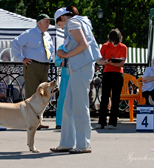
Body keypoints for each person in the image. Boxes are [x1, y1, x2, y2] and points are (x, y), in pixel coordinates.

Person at [50, 6, 102, 154]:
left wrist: (65, 55)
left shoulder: (72, 23)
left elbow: (83, 44)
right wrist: (66, 54)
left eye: (58, 24)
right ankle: (67, 143)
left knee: (80, 107)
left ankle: (83, 144)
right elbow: (84, 45)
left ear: (62, 18)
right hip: (79, 68)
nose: (60, 28)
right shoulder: (79, 22)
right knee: (68, 107)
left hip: (80, 68)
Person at [11, 14, 54, 129]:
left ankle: (39, 121)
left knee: (43, 94)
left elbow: (50, 49)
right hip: (32, 65)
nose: (48, 24)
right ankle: (30, 122)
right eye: (46, 22)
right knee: (32, 94)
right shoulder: (29, 33)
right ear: (39, 22)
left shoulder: (48, 35)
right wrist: (21, 59)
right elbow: (14, 43)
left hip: (45, 66)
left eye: (49, 22)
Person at [95, 28, 127, 129]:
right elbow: (98, 60)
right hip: (107, 73)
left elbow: (122, 63)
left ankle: (113, 122)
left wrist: (111, 62)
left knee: (116, 99)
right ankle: (101, 122)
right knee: (104, 98)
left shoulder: (123, 47)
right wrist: (106, 62)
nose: (114, 44)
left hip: (118, 74)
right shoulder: (105, 46)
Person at [54, 45, 69, 129]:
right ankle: (59, 122)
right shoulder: (62, 47)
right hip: (65, 77)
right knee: (62, 99)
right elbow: (56, 61)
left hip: (76, 76)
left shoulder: (77, 46)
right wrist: (62, 63)